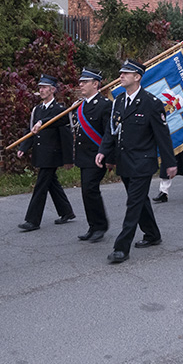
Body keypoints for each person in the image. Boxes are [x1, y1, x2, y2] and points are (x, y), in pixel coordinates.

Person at [96, 59, 177, 264]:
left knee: (133, 203)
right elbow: (112, 132)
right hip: (125, 161)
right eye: (121, 73)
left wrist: (170, 162)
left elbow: (163, 136)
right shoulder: (119, 101)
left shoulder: (151, 103)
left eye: (126, 73)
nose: (121, 76)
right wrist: (104, 152)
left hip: (143, 162)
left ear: (137, 77)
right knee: (140, 201)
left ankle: (121, 248)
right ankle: (152, 234)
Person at [17, 75, 76, 231]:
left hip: (52, 155)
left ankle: (33, 220)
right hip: (40, 153)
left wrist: (68, 159)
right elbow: (31, 132)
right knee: (52, 184)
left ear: (53, 90)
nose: (41, 90)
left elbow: (66, 137)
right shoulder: (37, 110)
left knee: (41, 186)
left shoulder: (60, 110)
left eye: (44, 87)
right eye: (40, 87)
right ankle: (66, 212)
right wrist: (23, 147)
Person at [73, 68, 111, 243]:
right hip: (83, 156)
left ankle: (100, 226)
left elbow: (109, 134)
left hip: (97, 156)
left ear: (95, 84)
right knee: (86, 192)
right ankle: (93, 226)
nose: (81, 84)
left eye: (85, 82)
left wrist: (109, 157)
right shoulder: (80, 105)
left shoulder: (104, 105)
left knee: (90, 190)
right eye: (81, 81)